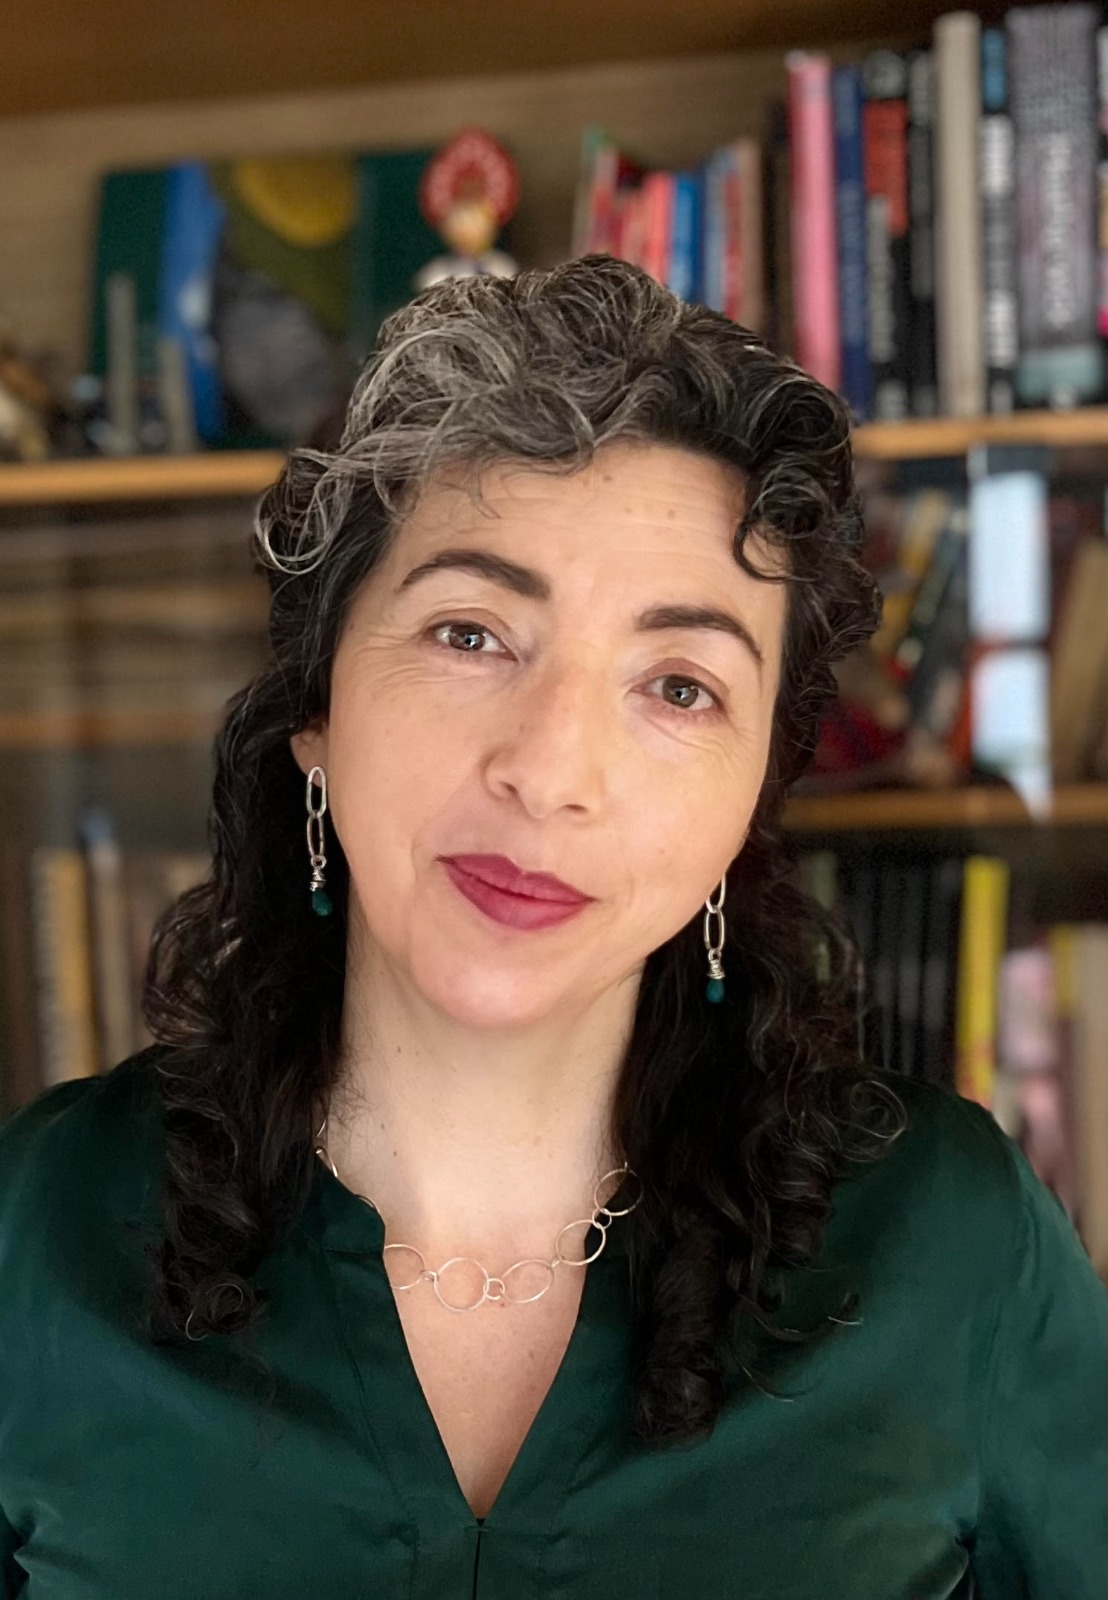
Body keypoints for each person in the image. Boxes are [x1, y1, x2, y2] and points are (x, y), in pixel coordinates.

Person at [1, 255, 1105, 1599]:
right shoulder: (38, 1233)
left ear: (752, 801)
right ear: (318, 713)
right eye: (470, 634)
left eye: (680, 687)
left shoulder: (952, 1247)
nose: (550, 771)